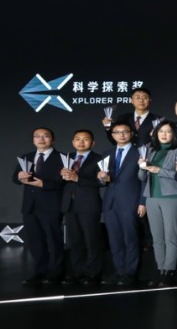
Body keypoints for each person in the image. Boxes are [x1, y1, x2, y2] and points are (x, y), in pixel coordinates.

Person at [13, 127, 65, 285]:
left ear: (53, 139)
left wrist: (44, 184)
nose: (41, 139)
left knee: (53, 240)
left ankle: (56, 272)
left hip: (51, 205)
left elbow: (65, 181)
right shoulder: (26, 157)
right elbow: (15, 178)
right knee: (35, 241)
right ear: (33, 140)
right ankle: (39, 271)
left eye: (45, 136)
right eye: (37, 136)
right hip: (30, 206)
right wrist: (19, 176)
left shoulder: (62, 158)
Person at [138, 122, 177, 287]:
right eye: (161, 131)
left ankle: (169, 270)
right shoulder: (150, 151)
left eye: (168, 131)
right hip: (151, 197)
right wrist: (142, 167)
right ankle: (159, 269)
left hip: (171, 197)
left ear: (174, 134)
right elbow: (141, 177)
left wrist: (159, 171)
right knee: (157, 238)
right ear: (156, 134)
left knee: (171, 237)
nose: (164, 134)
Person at [98, 122, 144, 287]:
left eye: (125, 131)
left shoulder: (140, 152)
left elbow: (145, 180)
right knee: (114, 239)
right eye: (117, 132)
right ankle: (119, 271)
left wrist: (142, 202)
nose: (121, 135)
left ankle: (130, 272)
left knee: (130, 238)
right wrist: (102, 178)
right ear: (112, 135)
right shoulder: (107, 153)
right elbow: (104, 180)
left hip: (131, 201)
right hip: (110, 202)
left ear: (131, 133)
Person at [60, 129, 105, 286]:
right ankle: (77, 271)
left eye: (85, 139)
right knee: (74, 241)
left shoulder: (99, 159)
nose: (81, 142)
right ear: (73, 142)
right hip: (69, 204)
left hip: (89, 205)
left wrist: (78, 178)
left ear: (92, 143)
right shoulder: (66, 158)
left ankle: (93, 273)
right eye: (77, 139)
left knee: (91, 240)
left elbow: (101, 182)